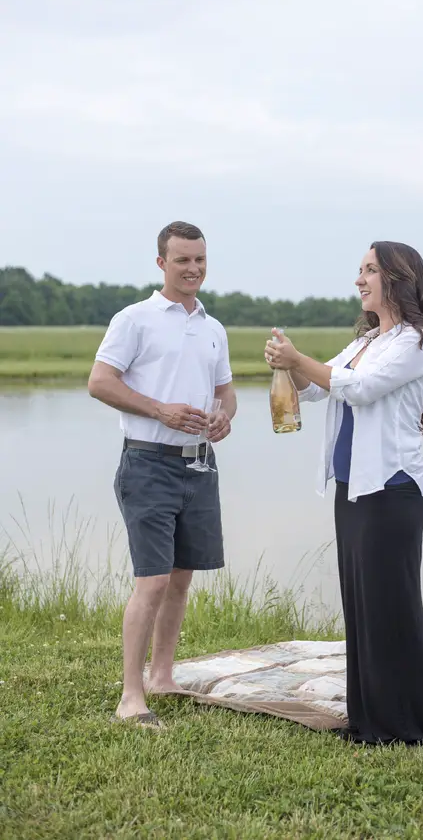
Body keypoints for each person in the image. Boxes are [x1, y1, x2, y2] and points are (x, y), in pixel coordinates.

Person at [265, 242, 423, 745]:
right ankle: (368, 719)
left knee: (393, 608)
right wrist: (285, 366)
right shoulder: (367, 341)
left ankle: (407, 725)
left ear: (396, 278)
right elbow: (322, 387)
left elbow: (362, 388)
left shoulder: (417, 343)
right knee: (362, 606)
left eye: (370, 270)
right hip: (352, 492)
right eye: (361, 270)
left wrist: (298, 358)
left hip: (392, 492)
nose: (360, 279)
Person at [89, 221, 236, 728]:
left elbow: (226, 391)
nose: (193, 268)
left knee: (179, 581)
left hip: (200, 465)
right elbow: (100, 382)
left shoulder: (213, 328)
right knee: (150, 582)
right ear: (161, 264)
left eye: (199, 259)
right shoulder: (135, 319)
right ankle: (131, 697)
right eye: (182, 260)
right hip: (147, 464)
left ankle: (163, 675)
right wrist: (159, 410)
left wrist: (223, 416)